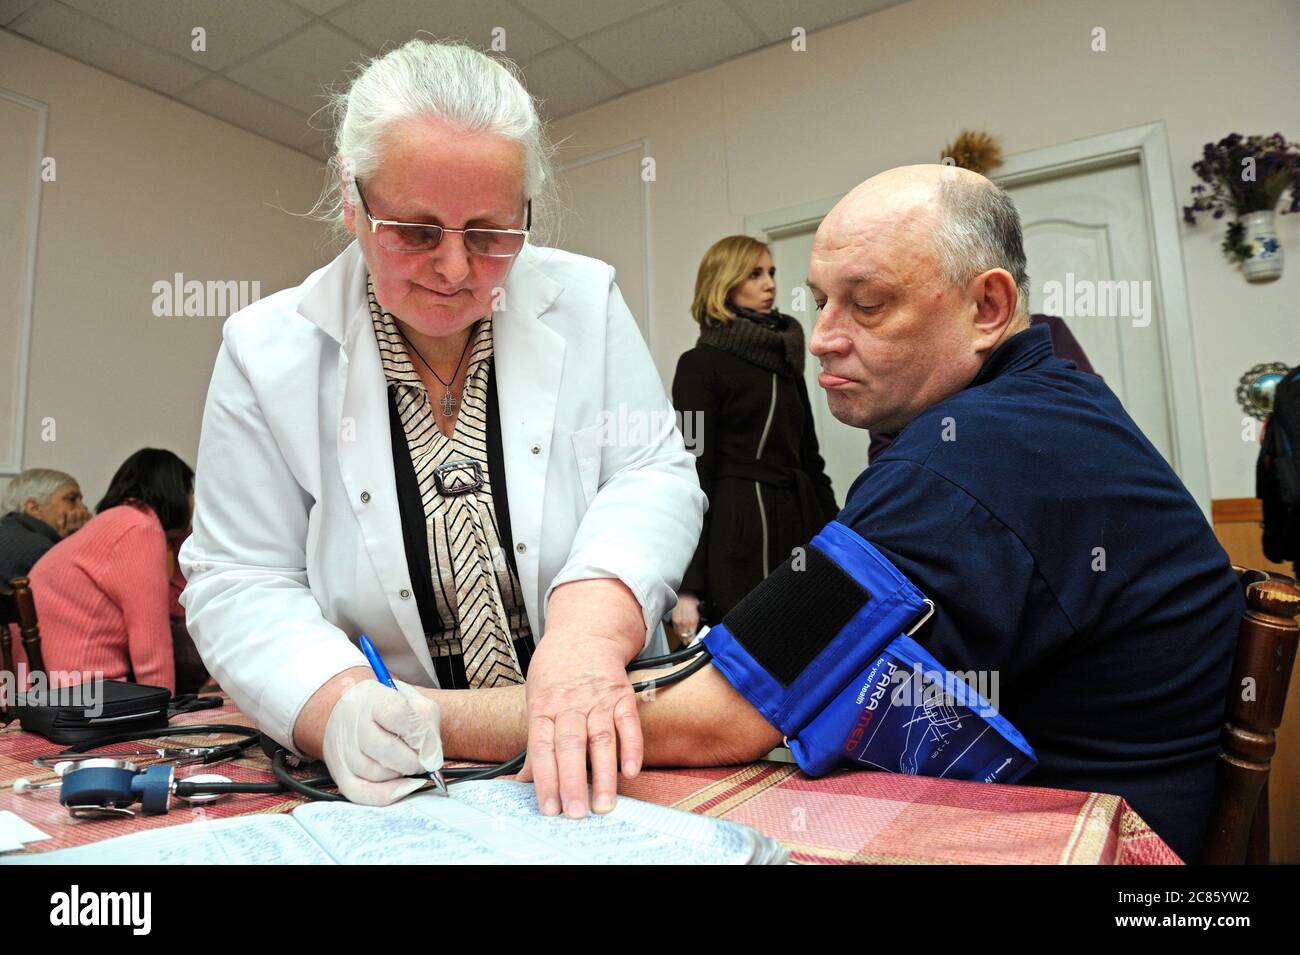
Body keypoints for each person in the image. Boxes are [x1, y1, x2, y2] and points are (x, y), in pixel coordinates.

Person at [418, 165, 1242, 863]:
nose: (821, 338)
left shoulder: (972, 458)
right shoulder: (1050, 400)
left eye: (870, 304)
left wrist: (415, 715)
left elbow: (713, 718)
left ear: (988, 307)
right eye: (820, 301)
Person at [179, 39, 704, 815]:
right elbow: (240, 576)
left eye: (491, 234)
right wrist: (337, 705)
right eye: (415, 231)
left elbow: (651, 474)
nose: (455, 269)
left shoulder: (586, 301)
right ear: (351, 200)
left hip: (608, 736)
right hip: (402, 765)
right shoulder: (267, 352)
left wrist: (587, 637)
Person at [670, 237, 837, 641]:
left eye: (772, 273)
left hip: (799, 522)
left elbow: (810, 460)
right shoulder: (699, 364)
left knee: (811, 648)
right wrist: (687, 586)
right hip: (737, 531)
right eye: (754, 274)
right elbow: (693, 470)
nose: (770, 284)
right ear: (724, 283)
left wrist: (841, 537)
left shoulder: (787, 358)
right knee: (752, 656)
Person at [30, 449, 194, 694]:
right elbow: (150, 642)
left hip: (48, 686)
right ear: (176, 493)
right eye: (190, 492)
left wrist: (179, 541)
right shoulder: (138, 529)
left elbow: (176, 607)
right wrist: (161, 708)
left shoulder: (114, 522)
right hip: (86, 693)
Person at [0, 469, 89, 582]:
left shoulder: (7, 528)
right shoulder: (43, 552)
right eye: (71, 499)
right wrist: (76, 540)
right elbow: (80, 591)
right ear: (34, 508)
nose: (83, 508)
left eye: (80, 500)